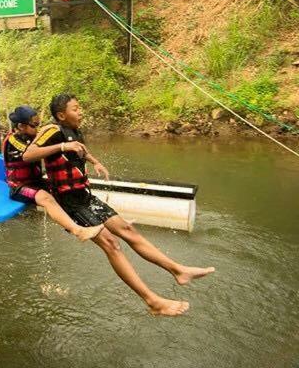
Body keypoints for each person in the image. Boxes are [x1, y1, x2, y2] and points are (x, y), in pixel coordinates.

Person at [25, 93, 215, 317]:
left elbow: (79, 149)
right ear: (61, 115)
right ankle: (152, 301)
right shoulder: (52, 129)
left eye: (80, 107)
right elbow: (29, 154)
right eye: (75, 109)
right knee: (111, 244)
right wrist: (62, 149)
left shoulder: (74, 131)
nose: (81, 111)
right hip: (68, 203)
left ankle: (178, 271)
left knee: (128, 230)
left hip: (85, 197)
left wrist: (95, 161)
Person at [3, 105, 104, 242]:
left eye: (39, 125)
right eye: (34, 125)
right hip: (19, 187)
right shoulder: (13, 140)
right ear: (21, 126)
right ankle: (78, 231)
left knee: (65, 189)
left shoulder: (32, 137)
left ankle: (96, 219)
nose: (38, 129)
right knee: (46, 198)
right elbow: (31, 153)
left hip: (37, 182)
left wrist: (95, 162)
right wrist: (57, 144)